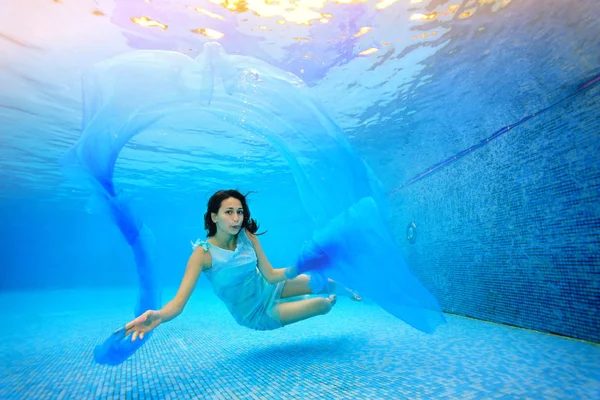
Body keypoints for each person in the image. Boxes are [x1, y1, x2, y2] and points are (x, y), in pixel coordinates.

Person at [124, 189, 361, 342]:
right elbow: (178, 304)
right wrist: (159, 316)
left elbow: (270, 275)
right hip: (256, 314)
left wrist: (300, 266)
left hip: (270, 287)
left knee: (325, 282)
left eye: (239, 212)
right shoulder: (202, 255)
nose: (236, 218)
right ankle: (331, 300)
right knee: (322, 305)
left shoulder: (248, 237)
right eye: (229, 212)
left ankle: (351, 293)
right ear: (214, 216)